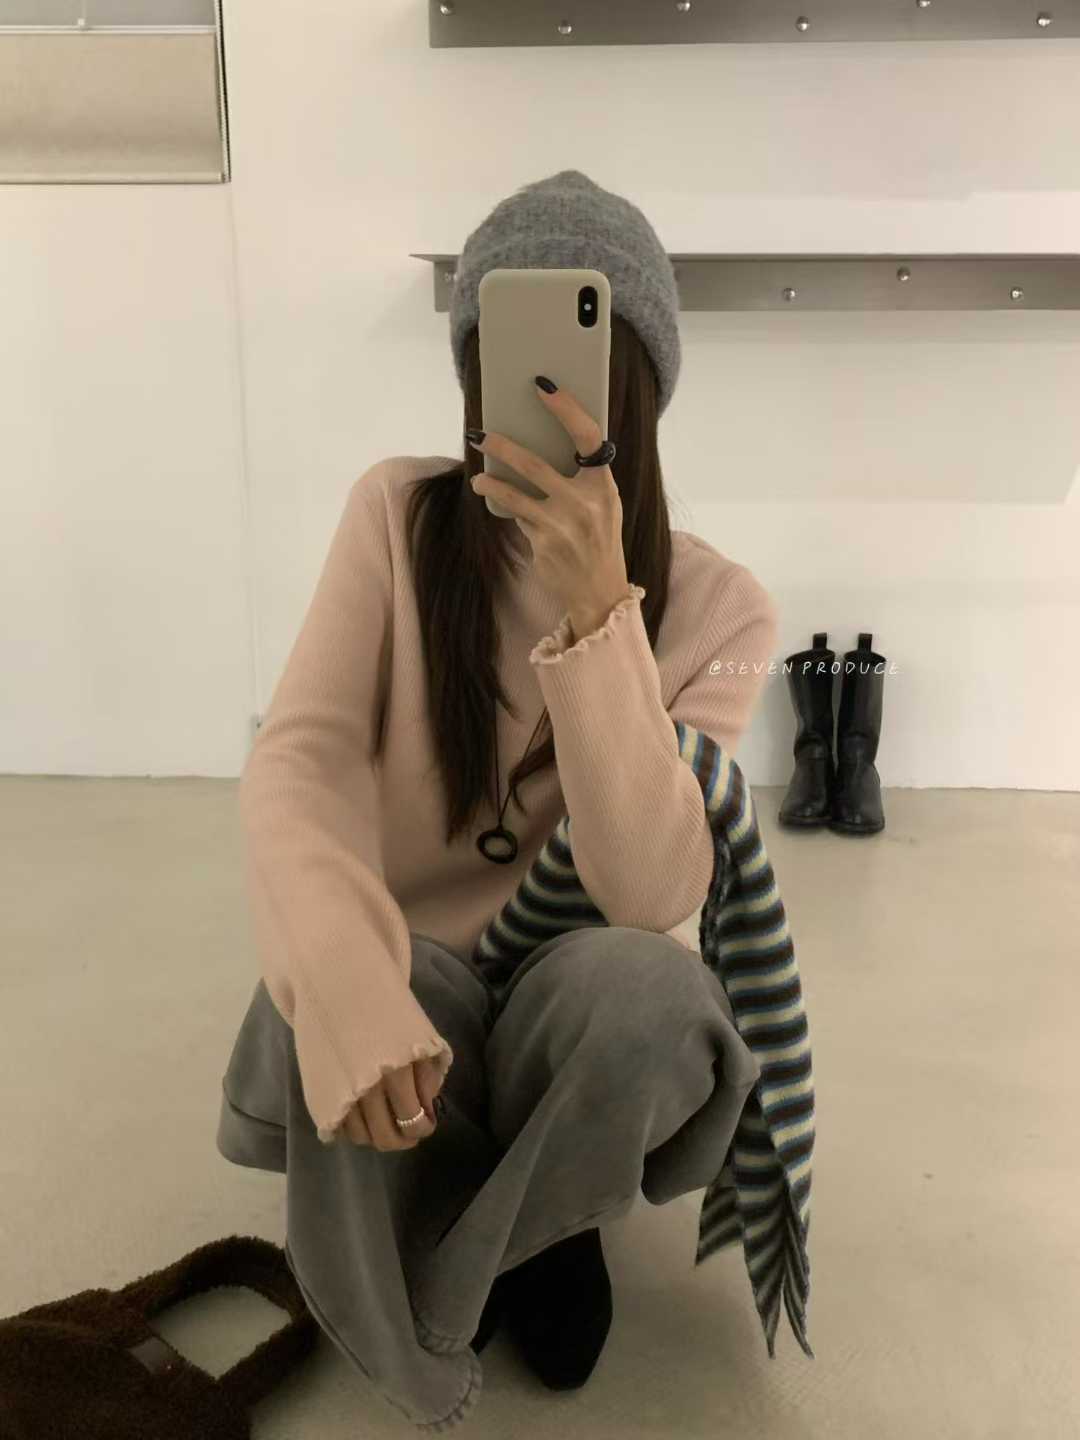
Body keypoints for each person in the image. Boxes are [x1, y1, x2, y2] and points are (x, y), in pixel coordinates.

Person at [215, 168, 778, 1431]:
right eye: (505, 365)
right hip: (423, 987)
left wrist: (602, 617)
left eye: (586, 364)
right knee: (364, 971)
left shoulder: (720, 607)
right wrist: (344, 975)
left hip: (565, 999)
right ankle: (529, 1213)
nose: (542, 397)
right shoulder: (395, 516)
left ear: (639, 393)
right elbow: (299, 762)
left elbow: (653, 890)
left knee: (656, 998)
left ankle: (501, 1237)